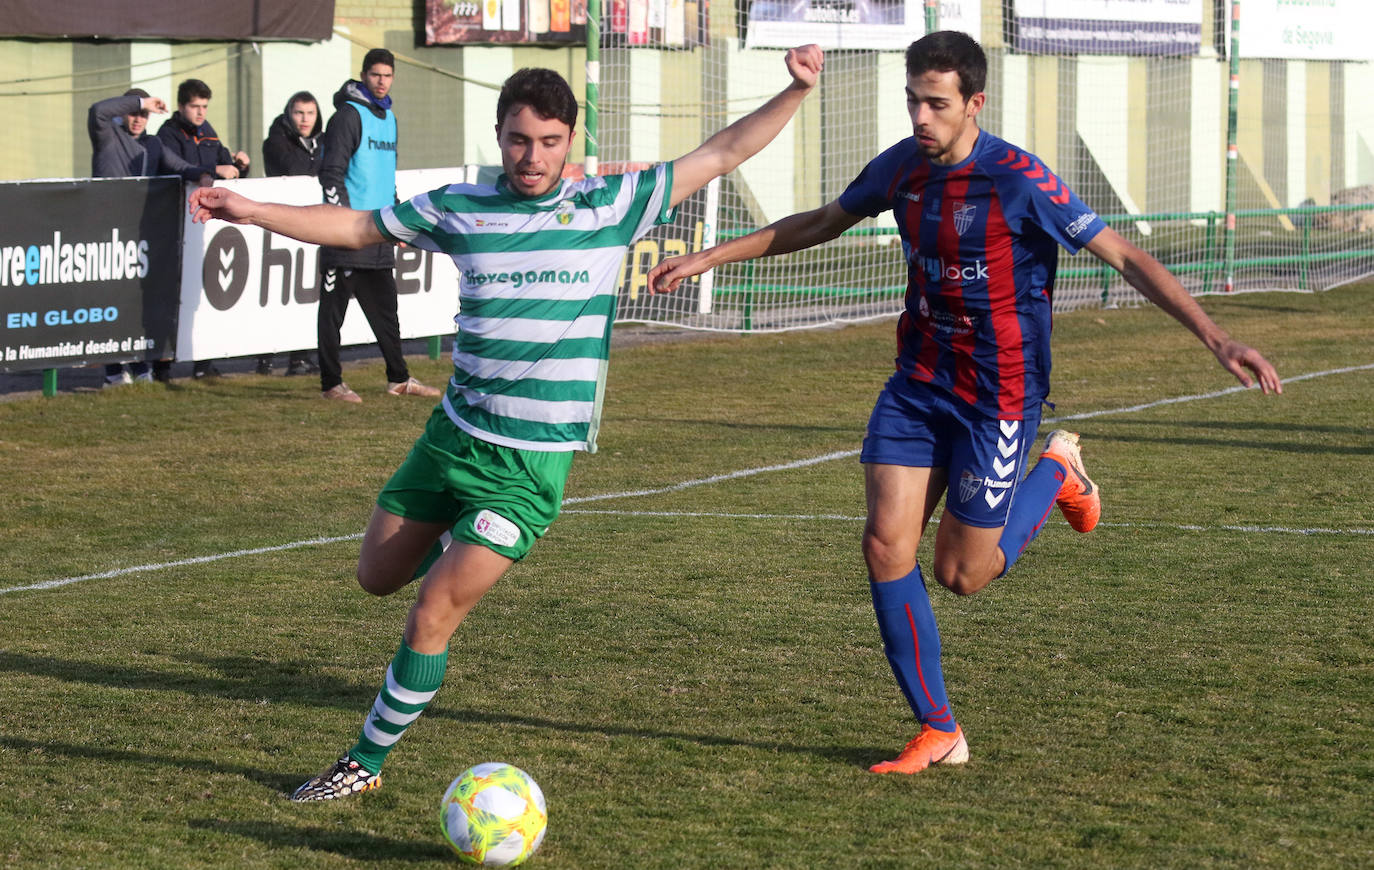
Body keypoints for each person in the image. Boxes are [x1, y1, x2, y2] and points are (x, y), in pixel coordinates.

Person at [188, 43, 825, 800]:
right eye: (520, 140)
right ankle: (452, 544)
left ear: (571, 140)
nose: (533, 157)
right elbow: (356, 227)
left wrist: (795, 91)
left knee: (433, 611)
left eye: (550, 142)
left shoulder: (611, 205)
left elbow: (722, 152)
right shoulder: (459, 206)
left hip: (528, 465)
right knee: (375, 577)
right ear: (499, 135)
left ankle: (362, 765)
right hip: (451, 438)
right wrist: (249, 208)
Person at [648, 31, 1282, 774]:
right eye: (913, 100)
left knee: (962, 575)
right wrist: (709, 256)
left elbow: (1127, 257)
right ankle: (939, 728)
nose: (921, 117)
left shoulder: (1021, 180)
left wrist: (1217, 337)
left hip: (998, 399)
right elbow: (821, 221)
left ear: (974, 103)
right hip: (918, 384)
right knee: (885, 544)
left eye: (937, 104)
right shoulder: (902, 168)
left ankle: (1058, 472)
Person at [315, 48, 440, 403]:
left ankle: (398, 378)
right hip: (346, 233)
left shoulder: (389, 118)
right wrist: (340, 221)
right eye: (375, 75)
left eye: (387, 76)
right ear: (363, 75)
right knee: (333, 314)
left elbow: (386, 177)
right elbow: (331, 174)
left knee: (387, 312)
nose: (382, 82)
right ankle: (331, 384)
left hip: (378, 231)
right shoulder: (347, 116)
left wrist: (396, 220)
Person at [88, 88, 216, 386]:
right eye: (133, 113)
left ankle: (139, 364)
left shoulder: (153, 144)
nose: (138, 119)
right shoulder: (107, 135)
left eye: (144, 115)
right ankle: (113, 370)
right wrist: (141, 102)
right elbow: (97, 111)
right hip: (107, 232)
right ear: (123, 113)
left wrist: (205, 174)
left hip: (140, 233)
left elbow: (181, 167)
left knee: (136, 301)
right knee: (111, 300)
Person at [158, 78, 248, 380]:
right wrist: (212, 171)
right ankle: (162, 365)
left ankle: (203, 361)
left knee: (204, 292)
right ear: (181, 106)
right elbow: (174, 168)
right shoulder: (167, 135)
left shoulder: (209, 133)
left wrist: (239, 166)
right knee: (171, 294)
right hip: (174, 224)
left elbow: (224, 165)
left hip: (205, 225)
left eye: (204, 107)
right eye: (195, 106)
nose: (200, 113)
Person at [256, 91, 325, 377]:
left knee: (307, 292)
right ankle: (265, 357)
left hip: (312, 225)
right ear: (289, 114)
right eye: (299, 113)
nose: (305, 119)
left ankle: (300, 357)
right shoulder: (275, 141)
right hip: (280, 227)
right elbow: (295, 169)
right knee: (274, 292)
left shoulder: (323, 142)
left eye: (310, 113)